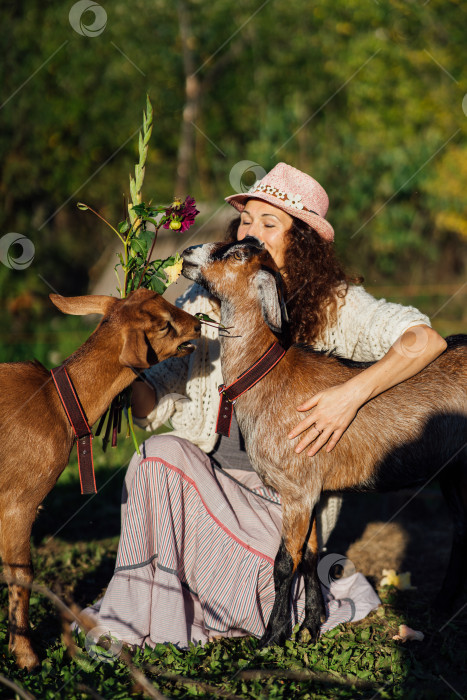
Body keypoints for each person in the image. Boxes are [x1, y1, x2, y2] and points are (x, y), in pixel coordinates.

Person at [86, 163, 446, 649]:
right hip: (211, 490)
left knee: (274, 572)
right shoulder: (208, 302)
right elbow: (155, 401)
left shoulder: (338, 305)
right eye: (245, 220)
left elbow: (425, 340)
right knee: (155, 457)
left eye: (268, 223)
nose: (250, 231)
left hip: (282, 510)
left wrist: (348, 396)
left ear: (301, 242)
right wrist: (124, 360)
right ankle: (140, 612)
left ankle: (249, 592)